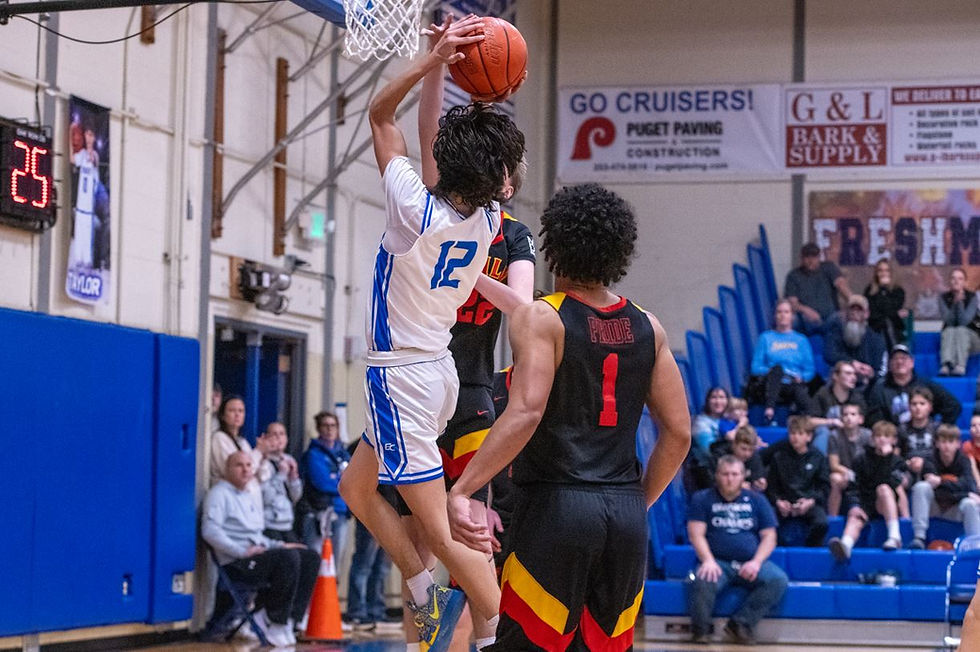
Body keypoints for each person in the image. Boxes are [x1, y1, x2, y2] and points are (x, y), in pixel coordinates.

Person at [337, 15, 527, 652]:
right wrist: (457, 75)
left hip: (404, 378)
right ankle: (420, 586)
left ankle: (495, 633)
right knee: (356, 488)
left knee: (444, 534)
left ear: (447, 164)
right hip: (435, 373)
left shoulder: (415, 211)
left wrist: (431, 60)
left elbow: (379, 114)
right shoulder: (489, 218)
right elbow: (436, 144)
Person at [445, 183, 692, 650]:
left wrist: (462, 488)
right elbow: (678, 433)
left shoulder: (544, 317)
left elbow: (525, 413)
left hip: (556, 509)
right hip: (624, 514)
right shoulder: (649, 325)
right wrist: (638, 501)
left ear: (554, 247)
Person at [202, 451, 320, 647]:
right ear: (227, 469)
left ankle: (291, 618)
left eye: (249, 465)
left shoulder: (248, 495)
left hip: (257, 555)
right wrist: (240, 551)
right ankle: (274, 619)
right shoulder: (219, 494)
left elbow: (257, 536)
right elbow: (210, 531)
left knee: (309, 556)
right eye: (239, 465)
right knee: (287, 558)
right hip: (237, 561)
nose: (246, 469)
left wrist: (280, 544)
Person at [687, 456, 788, 644]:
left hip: (750, 562)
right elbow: (696, 534)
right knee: (703, 577)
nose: (730, 479)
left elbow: (769, 536)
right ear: (717, 475)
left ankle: (741, 623)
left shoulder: (758, 501)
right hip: (717, 561)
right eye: (725, 474)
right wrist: (707, 560)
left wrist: (756, 562)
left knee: (778, 579)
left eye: (735, 474)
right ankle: (700, 631)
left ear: (743, 476)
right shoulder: (702, 498)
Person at [827, 421, 907, 561]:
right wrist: (855, 506)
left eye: (886, 436)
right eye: (878, 435)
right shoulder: (860, 459)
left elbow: (893, 483)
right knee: (855, 517)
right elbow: (853, 486)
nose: (882, 439)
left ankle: (894, 537)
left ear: (893, 440)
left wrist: (886, 459)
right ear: (872, 439)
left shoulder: (897, 461)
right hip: (865, 502)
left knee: (883, 489)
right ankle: (845, 546)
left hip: (885, 503)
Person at [909, 424, 980, 550]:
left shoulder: (964, 460)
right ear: (936, 443)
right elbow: (940, 491)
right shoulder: (929, 459)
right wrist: (958, 488)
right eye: (943, 441)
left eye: (951, 441)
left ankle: (975, 546)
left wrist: (940, 481)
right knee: (921, 487)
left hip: (955, 508)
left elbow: (968, 485)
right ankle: (919, 536)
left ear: (958, 443)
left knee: (970, 503)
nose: (946, 446)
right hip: (934, 506)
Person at [764, 416, 830, 547]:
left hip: (808, 502)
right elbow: (771, 486)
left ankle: (811, 551)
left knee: (821, 523)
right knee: (768, 521)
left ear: (809, 437)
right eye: (792, 433)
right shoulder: (779, 456)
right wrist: (778, 501)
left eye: (800, 433)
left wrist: (811, 501)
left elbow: (824, 487)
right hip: (784, 502)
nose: (795, 437)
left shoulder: (818, 457)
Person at [748, 299, 817, 422]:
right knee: (777, 369)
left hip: (791, 382)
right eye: (779, 312)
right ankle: (770, 408)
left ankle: (810, 419)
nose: (783, 315)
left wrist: (802, 377)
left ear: (792, 316)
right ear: (775, 316)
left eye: (786, 312)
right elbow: (755, 367)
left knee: (798, 390)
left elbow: (810, 369)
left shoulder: (801, 340)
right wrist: (769, 371)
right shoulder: (765, 338)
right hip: (769, 382)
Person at [866, 344, 962, 427]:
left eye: (903, 358)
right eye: (895, 358)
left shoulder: (926, 384)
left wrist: (940, 429)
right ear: (889, 364)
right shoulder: (880, 389)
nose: (899, 362)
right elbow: (874, 419)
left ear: (912, 362)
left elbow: (953, 405)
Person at [298, 411, 351, 561]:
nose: (329, 429)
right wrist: (341, 482)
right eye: (325, 425)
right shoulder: (314, 454)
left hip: (341, 511)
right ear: (319, 428)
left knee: (336, 562)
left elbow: (353, 481)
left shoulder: (343, 453)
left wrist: (338, 480)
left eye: (333, 425)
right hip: (320, 512)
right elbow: (322, 482)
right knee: (317, 560)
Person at [784, 242, 851, 333]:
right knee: (791, 319)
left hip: (830, 318)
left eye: (814, 257)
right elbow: (792, 303)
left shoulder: (828, 267)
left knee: (846, 318)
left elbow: (841, 285)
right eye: (807, 257)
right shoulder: (793, 275)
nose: (811, 260)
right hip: (806, 320)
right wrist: (806, 310)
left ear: (819, 257)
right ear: (801, 258)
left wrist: (854, 302)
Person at [822, 294, 887, 387]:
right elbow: (829, 355)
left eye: (859, 310)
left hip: (867, 383)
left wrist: (870, 372)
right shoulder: (835, 333)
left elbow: (879, 368)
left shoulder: (876, 339)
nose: (854, 313)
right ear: (845, 312)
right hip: (840, 380)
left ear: (866, 314)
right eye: (852, 309)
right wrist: (851, 363)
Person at [254, 422, 303, 543]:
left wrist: (293, 478)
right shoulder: (262, 462)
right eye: (274, 434)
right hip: (268, 522)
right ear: (266, 438)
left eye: (281, 434)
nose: (278, 438)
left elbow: (296, 497)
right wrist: (280, 475)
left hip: (286, 522)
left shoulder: (288, 460)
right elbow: (264, 497)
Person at [809, 361, 867, 453]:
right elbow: (810, 421)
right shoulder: (823, 394)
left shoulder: (857, 398)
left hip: (850, 435)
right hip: (828, 435)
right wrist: (831, 422)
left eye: (854, 374)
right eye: (848, 373)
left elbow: (862, 421)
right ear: (835, 376)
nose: (853, 377)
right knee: (823, 432)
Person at [826, 403, 871, 517]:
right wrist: (848, 472)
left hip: (865, 474)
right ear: (841, 418)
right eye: (845, 415)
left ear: (860, 419)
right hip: (845, 474)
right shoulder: (834, 436)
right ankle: (833, 518)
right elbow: (834, 464)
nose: (848, 417)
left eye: (853, 414)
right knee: (835, 478)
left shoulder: (868, 435)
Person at [939, 268, 980, 376]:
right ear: (949, 281)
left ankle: (960, 365)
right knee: (950, 330)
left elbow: (964, 321)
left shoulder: (972, 297)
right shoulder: (943, 297)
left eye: (960, 279)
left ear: (965, 282)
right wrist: (954, 304)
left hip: (972, 339)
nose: (956, 281)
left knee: (961, 330)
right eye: (953, 278)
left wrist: (960, 303)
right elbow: (949, 321)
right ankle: (946, 364)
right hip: (951, 336)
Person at [898, 387, 939, 485]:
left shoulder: (937, 428)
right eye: (914, 404)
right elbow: (896, 456)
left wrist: (924, 464)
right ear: (909, 407)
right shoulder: (902, 429)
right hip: (908, 468)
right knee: (898, 481)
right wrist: (908, 463)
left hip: (932, 468)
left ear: (930, 407)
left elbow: (942, 456)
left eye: (922, 403)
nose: (918, 407)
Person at [864, 259, 907, 349]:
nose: (883, 274)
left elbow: (891, 309)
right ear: (876, 273)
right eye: (880, 270)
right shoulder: (869, 291)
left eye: (887, 270)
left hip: (893, 330)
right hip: (874, 329)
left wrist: (883, 290)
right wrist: (895, 314)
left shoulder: (898, 291)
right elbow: (872, 313)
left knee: (888, 324)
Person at [209, 396, 252, 487]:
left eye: (241, 411)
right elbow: (235, 473)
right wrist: (260, 452)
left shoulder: (243, 442)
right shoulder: (219, 438)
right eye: (232, 410)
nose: (237, 414)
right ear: (223, 416)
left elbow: (261, 474)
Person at [692, 387, 731, 453]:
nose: (718, 402)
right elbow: (709, 450)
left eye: (721, 397)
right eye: (714, 397)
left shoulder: (729, 419)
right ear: (707, 401)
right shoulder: (700, 423)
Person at [963, 414, 980, 489]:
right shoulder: (967, 445)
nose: (977, 428)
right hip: (974, 480)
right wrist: (979, 483)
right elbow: (973, 468)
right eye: (973, 425)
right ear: (970, 430)